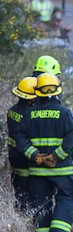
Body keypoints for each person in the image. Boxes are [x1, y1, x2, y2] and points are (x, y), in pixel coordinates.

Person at [15, 73, 73, 232]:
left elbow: (19, 138)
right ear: (57, 92)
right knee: (67, 196)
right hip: (61, 169)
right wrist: (56, 156)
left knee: (40, 200)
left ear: (37, 93)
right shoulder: (65, 113)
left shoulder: (29, 114)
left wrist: (34, 155)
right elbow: (72, 136)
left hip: (37, 170)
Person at [7, 77, 38, 210]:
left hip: (14, 157)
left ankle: (20, 214)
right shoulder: (29, 115)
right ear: (31, 98)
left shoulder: (12, 110)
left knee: (19, 191)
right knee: (27, 194)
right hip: (25, 159)